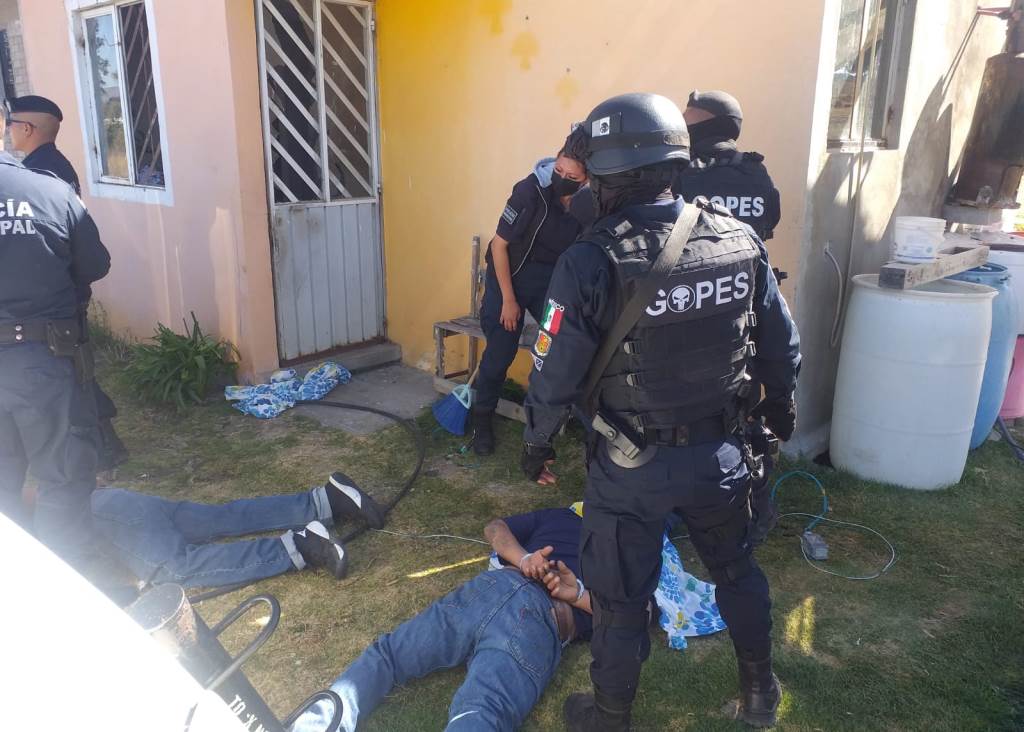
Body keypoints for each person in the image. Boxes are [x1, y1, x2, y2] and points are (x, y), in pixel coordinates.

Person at [520, 93, 801, 730]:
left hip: (630, 468)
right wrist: (779, 411)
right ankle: (761, 693)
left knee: (620, 600)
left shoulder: (589, 259)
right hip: (722, 455)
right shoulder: (739, 240)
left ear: (605, 177)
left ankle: (610, 716)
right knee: (736, 570)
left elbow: (554, 371)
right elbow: (781, 345)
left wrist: (536, 442)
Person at [290, 506, 594, 732]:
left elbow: (631, 613)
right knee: (481, 711)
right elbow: (494, 528)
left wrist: (573, 592)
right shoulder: (563, 516)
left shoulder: (611, 543)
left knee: (392, 657)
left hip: (524, 604)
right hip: (515, 599)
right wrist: (525, 560)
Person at [0, 110, 110, 566]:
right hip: (39, 360)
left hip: (36, 358)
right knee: (61, 475)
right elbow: (95, 265)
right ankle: (68, 582)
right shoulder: (48, 191)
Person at [6, 94, 128, 471]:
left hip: (54, 312)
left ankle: (103, 449)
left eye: (12, 125)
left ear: (27, 128)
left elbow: (79, 253)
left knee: (76, 384)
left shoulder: (42, 174)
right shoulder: (49, 169)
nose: (9, 132)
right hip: (54, 312)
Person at [472, 127, 590, 456]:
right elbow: (499, 246)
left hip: (548, 283)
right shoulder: (530, 190)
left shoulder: (589, 204)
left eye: (572, 177)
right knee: (500, 352)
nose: (562, 179)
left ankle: (555, 423)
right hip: (507, 276)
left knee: (565, 346)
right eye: (559, 170)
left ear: (586, 179)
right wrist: (509, 301)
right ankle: (481, 419)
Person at [90, 471, 385, 587]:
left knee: (176, 569)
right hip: (104, 500)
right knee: (217, 518)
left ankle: (302, 546)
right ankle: (328, 500)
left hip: (91, 517)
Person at [672, 90, 781, 244]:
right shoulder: (757, 172)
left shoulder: (680, 170)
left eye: (687, 118)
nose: (681, 125)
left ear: (706, 125)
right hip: (747, 259)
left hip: (690, 258)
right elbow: (771, 220)